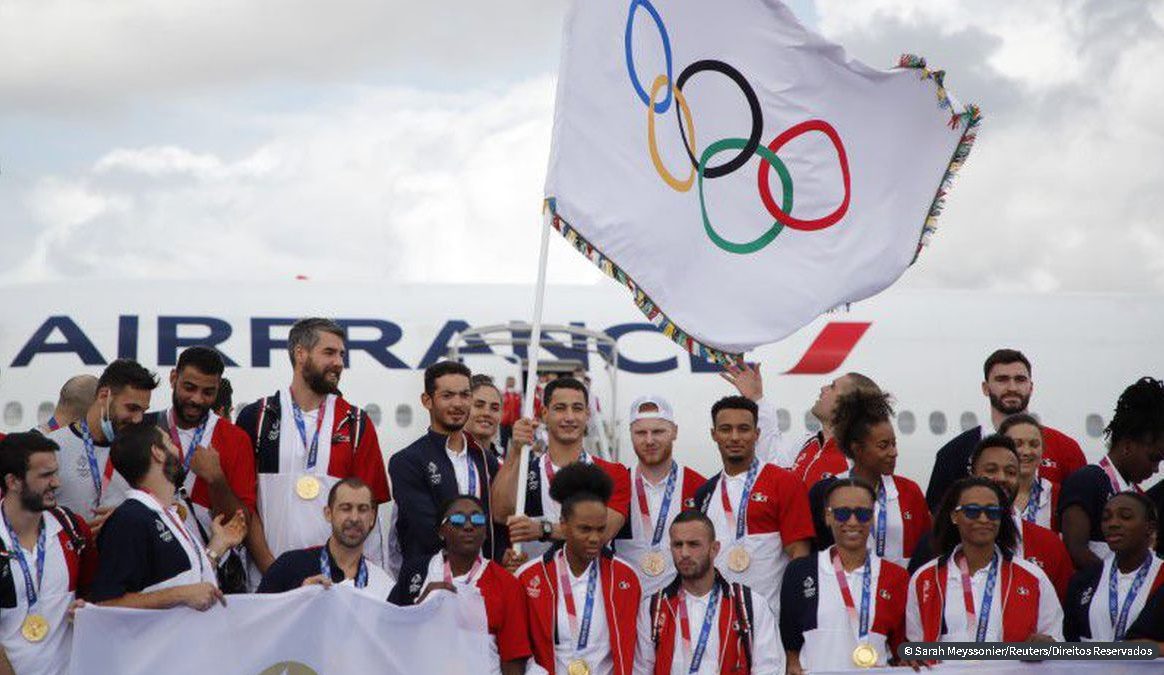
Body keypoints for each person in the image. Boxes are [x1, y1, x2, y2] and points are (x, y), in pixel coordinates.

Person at [235, 318, 390, 582]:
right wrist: (274, 574)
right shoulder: (258, 418)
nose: (339, 363)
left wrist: (361, 580)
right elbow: (245, 508)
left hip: (336, 585)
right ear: (300, 353)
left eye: (342, 354)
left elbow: (369, 512)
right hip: (267, 580)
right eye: (329, 353)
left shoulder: (355, 423)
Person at [90, 423, 246, 609]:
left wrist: (218, 546)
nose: (177, 449)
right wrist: (180, 595)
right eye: (170, 442)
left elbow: (187, 582)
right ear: (157, 452)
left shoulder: (165, 513)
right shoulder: (130, 519)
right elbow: (106, 603)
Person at [908, 434, 1075, 600]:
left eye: (1010, 472)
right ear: (972, 474)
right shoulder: (935, 543)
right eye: (991, 470)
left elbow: (1061, 613)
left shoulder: (1049, 544)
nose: (1001, 478)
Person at [692, 396, 814, 621]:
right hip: (720, 623)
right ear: (714, 435)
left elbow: (799, 556)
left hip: (771, 621)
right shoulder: (705, 493)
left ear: (756, 434)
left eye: (744, 429)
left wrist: (794, 623)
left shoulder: (784, 482)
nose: (735, 437)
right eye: (726, 429)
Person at [146, 346, 256, 591]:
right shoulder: (145, 428)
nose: (197, 399)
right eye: (189, 388)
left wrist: (216, 479)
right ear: (173, 378)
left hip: (215, 572)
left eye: (208, 392)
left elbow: (239, 525)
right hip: (152, 568)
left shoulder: (235, 439)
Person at [516, 463, 640, 675]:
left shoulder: (626, 577)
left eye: (600, 529)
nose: (594, 538)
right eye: (584, 529)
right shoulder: (529, 577)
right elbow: (519, 649)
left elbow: (637, 653)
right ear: (563, 524)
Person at [925, 349, 1086, 511]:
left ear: (1031, 387)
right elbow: (937, 523)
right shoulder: (954, 454)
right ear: (985, 388)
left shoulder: (1066, 449)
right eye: (1002, 380)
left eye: (1020, 380)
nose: (1012, 387)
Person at [907, 477, 1063, 643]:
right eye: (972, 511)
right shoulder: (925, 578)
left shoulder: (1033, 577)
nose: (983, 519)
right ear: (954, 516)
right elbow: (914, 647)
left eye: (993, 512)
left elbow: (1057, 641)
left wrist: (1047, 645)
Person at [492, 378, 631, 563]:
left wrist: (542, 529)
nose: (570, 417)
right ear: (544, 413)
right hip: (537, 587)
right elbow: (500, 514)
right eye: (560, 408)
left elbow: (603, 534)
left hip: (593, 587)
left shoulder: (613, 473)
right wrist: (517, 450)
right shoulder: (524, 472)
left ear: (587, 414)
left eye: (577, 408)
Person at [390, 495, 531, 675]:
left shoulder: (506, 583)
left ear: (486, 532)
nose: (468, 526)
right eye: (457, 520)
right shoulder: (416, 572)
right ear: (441, 530)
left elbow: (513, 661)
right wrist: (421, 609)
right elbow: (390, 633)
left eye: (478, 519)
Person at [782, 478, 909, 673]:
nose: (852, 521)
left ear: (873, 517)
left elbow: (903, 649)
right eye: (842, 514)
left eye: (863, 514)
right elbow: (790, 644)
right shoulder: (800, 572)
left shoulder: (896, 577)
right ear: (827, 516)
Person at [635, 510, 782, 675]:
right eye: (678, 545)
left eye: (693, 544)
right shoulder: (652, 609)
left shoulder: (750, 605)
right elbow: (640, 670)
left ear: (714, 549)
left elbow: (769, 669)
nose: (684, 553)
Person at [389, 362, 505, 567]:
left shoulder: (486, 460)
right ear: (427, 400)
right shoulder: (407, 461)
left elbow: (498, 523)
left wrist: (503, 555)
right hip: (431, 583)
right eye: (448, 395)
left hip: (482, 582)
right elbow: (427, 531)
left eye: (464, 395)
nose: (458, 404)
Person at [0, 433, 98, 675]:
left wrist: (88, 610)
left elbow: (95, 594)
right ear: (13, 482)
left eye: (55, 473)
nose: (56, 483)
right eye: (45, 476)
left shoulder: (72, 528)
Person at [807, 390, 930, 569]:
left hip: (899, 592)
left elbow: (926, 550)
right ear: (857, 448)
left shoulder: (909, 491)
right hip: (844, 591)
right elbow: (816, 554)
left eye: (894, 443)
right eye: (883, 446)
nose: (893, 452)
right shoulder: (825, 492)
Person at [1060, 377, 1164, 570]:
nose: (1156, 469)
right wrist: (1115, 581)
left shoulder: (1140, 497)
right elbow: (1075, 549)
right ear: (1127, 446)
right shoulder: (1087, 481)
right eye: (1154, 458)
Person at [45, 359, 158, 535]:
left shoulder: (142, 453)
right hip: (71, 557)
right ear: (104, 396)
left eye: (142, 411)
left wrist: (125, 516)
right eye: (132, 408)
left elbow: (171, 510)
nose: (138, 419)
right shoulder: (53, 447)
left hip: (120, 558)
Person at [721, 362, 880, 486]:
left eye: (832, 387)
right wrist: (757, 399)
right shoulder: (808, 443)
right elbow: (771, 462)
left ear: (849, 404)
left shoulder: (856, 457)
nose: (823, 388)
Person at [615, 396, 706, 596]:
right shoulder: (616, 487)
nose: (649, 440)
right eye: (641, 433)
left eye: (658, 432)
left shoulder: (700, 487)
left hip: (682, 608)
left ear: (674, 432)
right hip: (626, 606)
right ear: (630, 434)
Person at [258, 478, 393, 598]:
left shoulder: (384, 586)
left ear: (372, 517)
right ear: (328, 514)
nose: (354, 518)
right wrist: (298, 599)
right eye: (346, 508)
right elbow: (259, 620)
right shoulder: (289, 567)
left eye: (362, 509)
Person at [1064, 492, 1163, 642]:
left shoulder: (1161, 576)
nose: (1113, 524)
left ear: (1150, 527)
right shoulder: (1084, 579)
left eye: (1126, 516)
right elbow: (1068, 638)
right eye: (1106, 518)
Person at [1000, 413, 1059, 530]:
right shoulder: (987, 494)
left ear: (1043, 450)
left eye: (1034, 444)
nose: (1026, 451)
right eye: (1017, 444)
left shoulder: (1058, 495)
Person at [468, 374, 505, 460]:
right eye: (479, 405)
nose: (487, 413)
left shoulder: (501, 464)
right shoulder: (444, 460)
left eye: (494, 408)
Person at [500, 376, 522, 451]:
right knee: (503, 445)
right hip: (504, 423)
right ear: (506, 382)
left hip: (515, 424)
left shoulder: (518, 395)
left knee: (516, 444)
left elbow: (521, 408)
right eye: (509, 381)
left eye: (512, 381)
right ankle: (502, 460)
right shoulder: (502, 394)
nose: (510, 383)